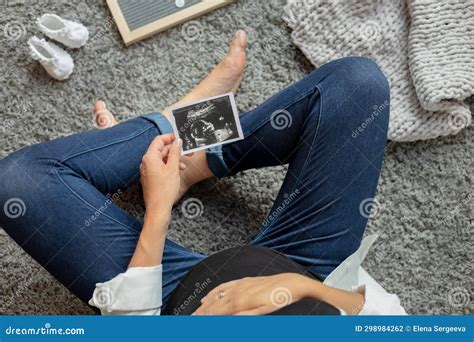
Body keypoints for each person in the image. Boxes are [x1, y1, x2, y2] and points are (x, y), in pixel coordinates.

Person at [0, 30, 406, 315]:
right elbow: (388, 319)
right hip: (311, 269)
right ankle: (200, 155)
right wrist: (301, 287)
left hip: (172, 299)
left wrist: (157, 212)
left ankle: (185, 118)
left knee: (21, 182)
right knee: (358, 84)